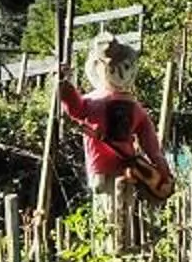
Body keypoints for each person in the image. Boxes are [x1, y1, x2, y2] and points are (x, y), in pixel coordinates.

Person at [57, 35, 172, 250]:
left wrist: (65, 85)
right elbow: (151, 144)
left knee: (105, 212)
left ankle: (109, 253)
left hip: (100, 167)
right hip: (127, 167)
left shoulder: (91, 102)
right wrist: (162, 167)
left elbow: (73, 108)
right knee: (124, 212)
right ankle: (123, 249)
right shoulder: (135, 107)